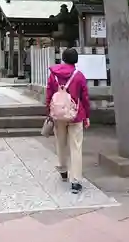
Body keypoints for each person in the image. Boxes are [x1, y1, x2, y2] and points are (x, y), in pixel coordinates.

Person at [46, 48, 90, 194]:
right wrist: (87, 116)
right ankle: (76, 181)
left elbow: (49, 94)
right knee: (76, 147)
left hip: (58, 116)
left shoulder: (54, 75)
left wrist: (49, 112)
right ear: (76, 60)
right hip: (76, 115)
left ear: (63, 59)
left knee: (60, 143)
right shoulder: (79, 76)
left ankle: (63, 170)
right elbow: (85, 98)